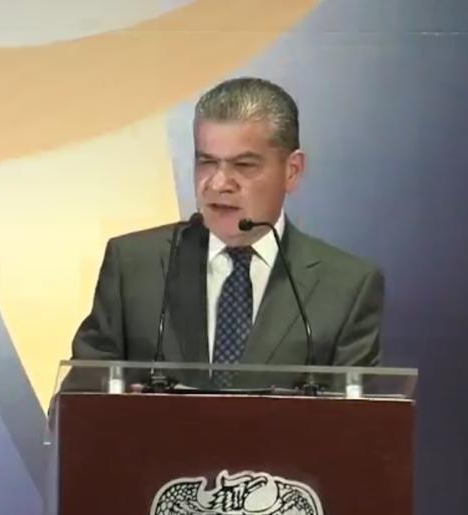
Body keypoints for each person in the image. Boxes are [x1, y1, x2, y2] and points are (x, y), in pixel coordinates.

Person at [69, 77, 384, 382]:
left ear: (292, 171)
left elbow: (358, 415)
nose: (219, 183)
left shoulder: (346, 286)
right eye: (207, 162)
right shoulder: (134, 265)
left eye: (244, 165)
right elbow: (77, 401)